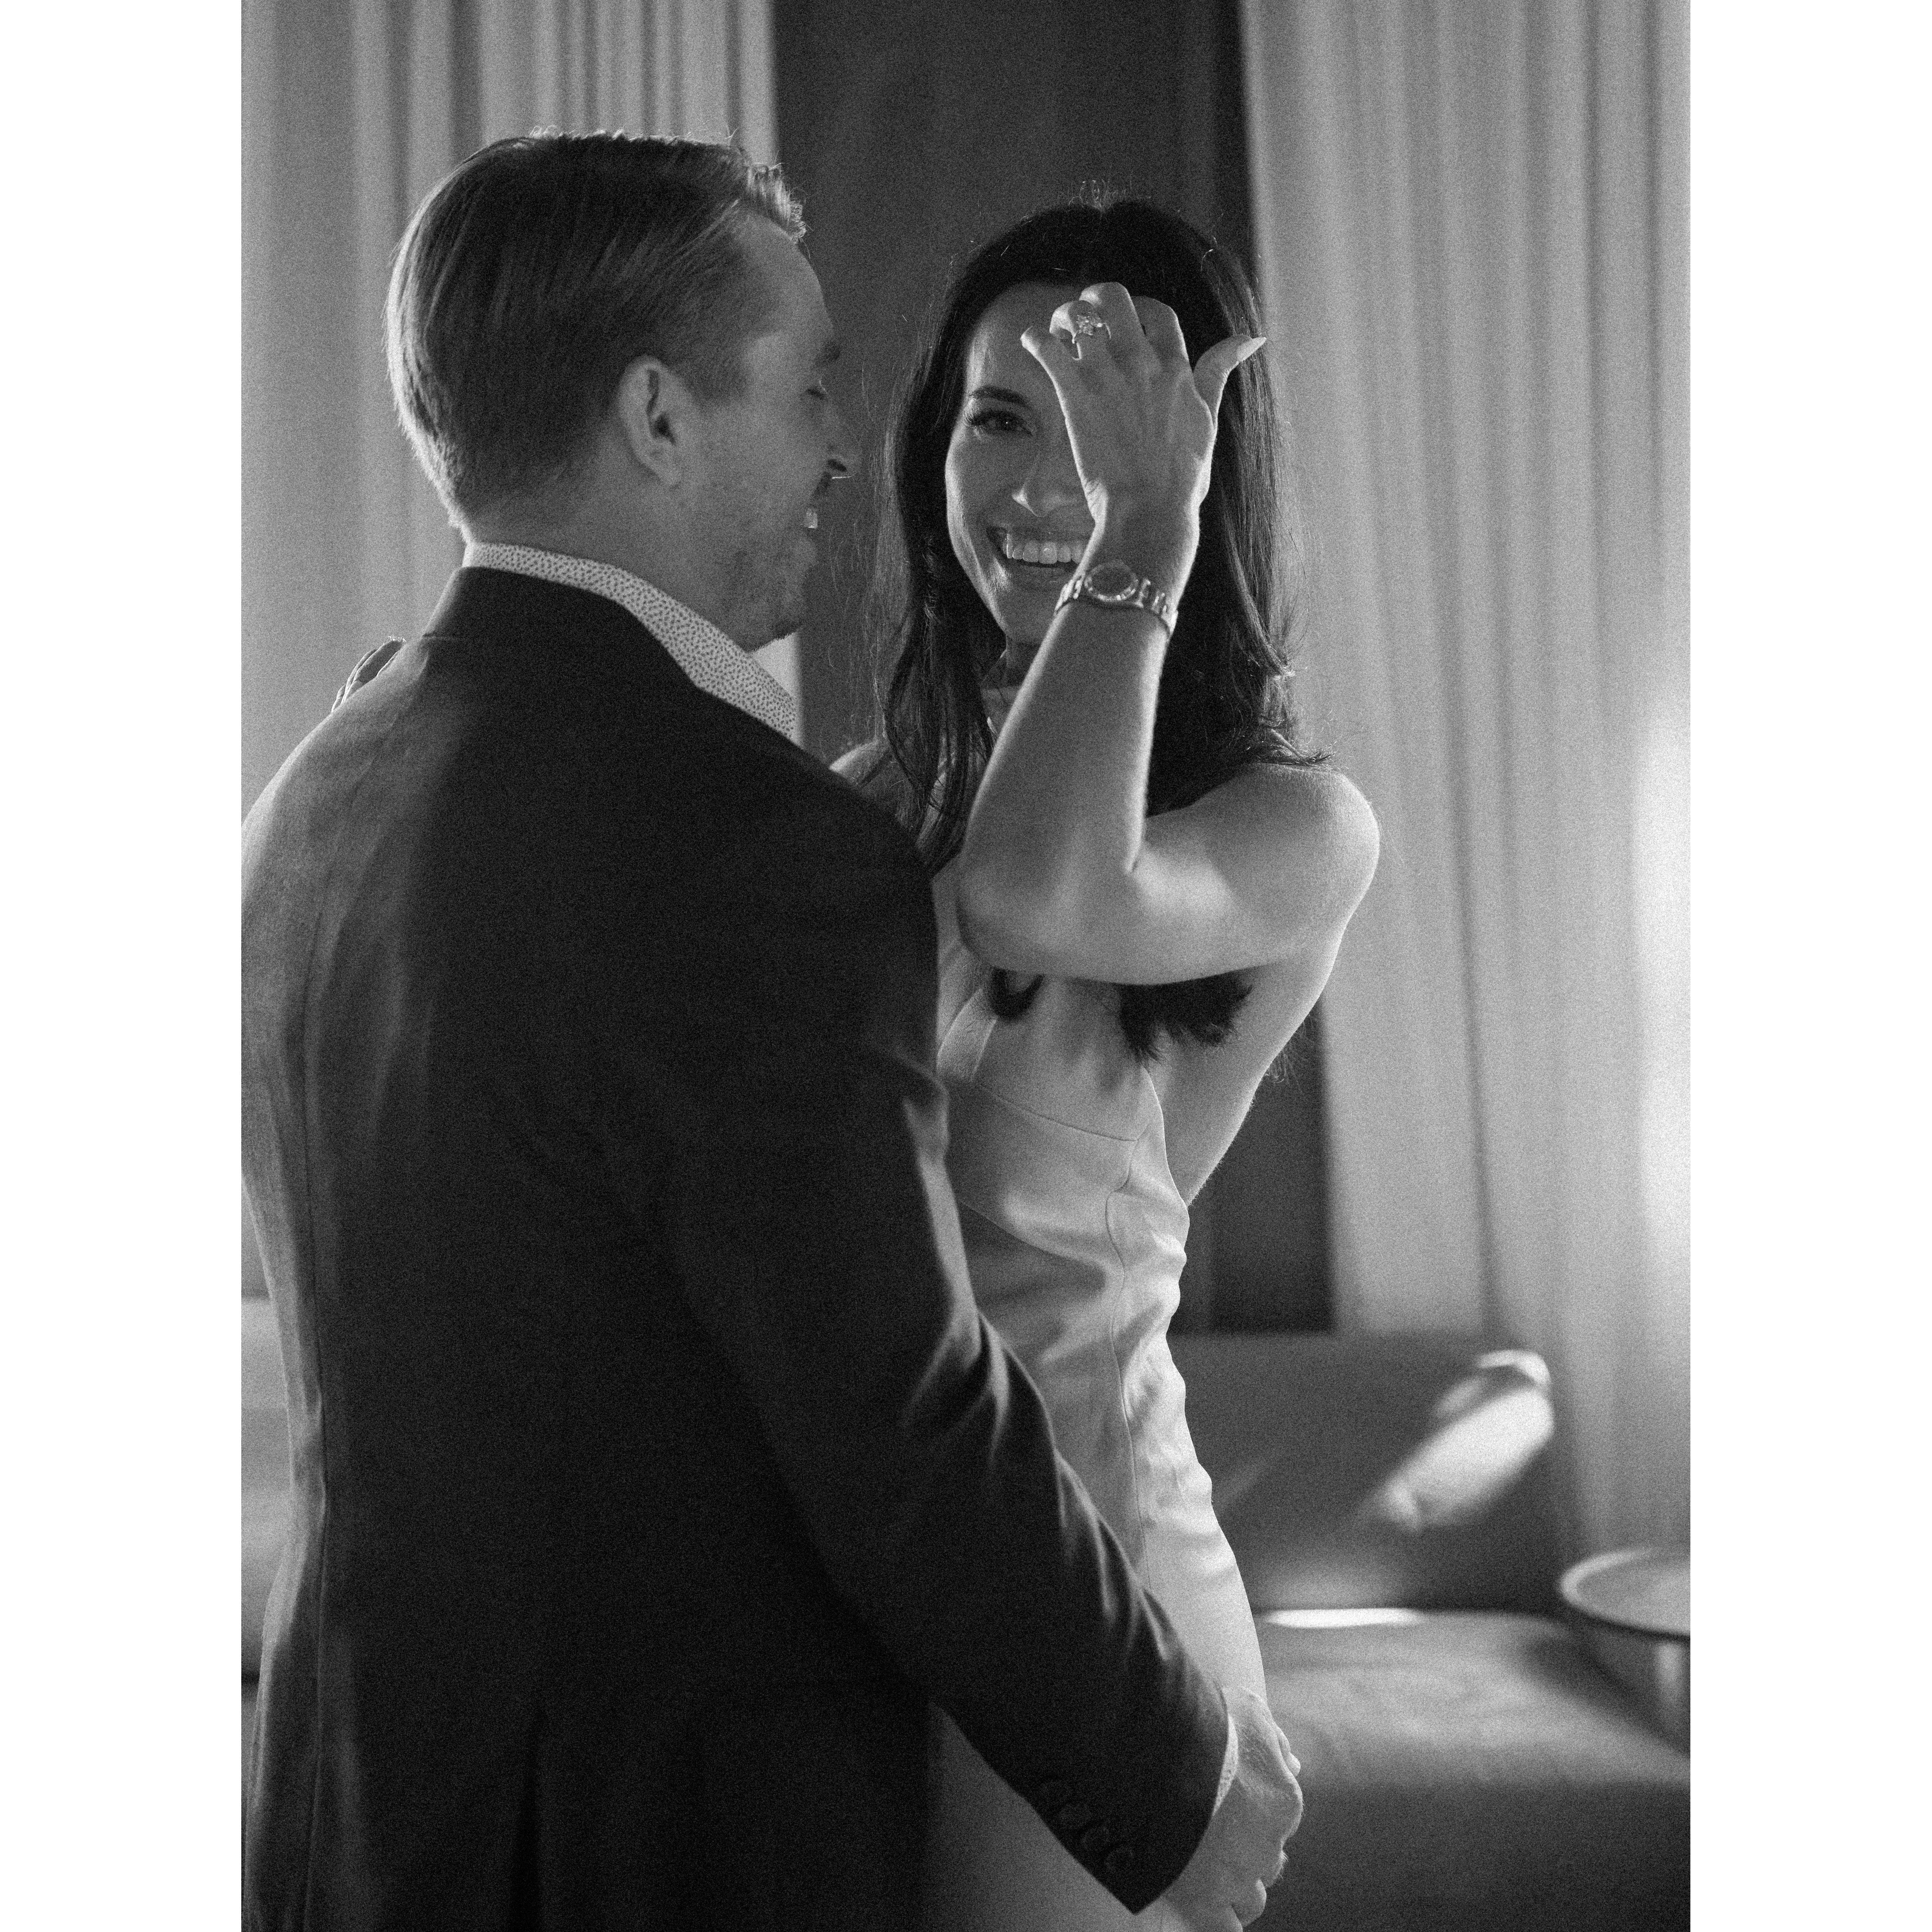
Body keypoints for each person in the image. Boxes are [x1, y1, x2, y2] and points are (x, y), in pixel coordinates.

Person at [241, 134, 1304, 1931]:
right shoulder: (752, 839)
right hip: (634, 1821)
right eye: (811, 387)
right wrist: (1169, 1777)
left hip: (366, 1787)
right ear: (660, 418)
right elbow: (897, 1412)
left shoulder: (319, 780)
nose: (840, 448)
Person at [840, 198, 1379, 1930]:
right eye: (997, 418)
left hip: (1093, 1604)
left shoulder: (1296, 826)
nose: (1039, 478)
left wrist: (1143, 533)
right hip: (850, 1606)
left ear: (1199, 469)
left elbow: (1039, 894)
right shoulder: (863, 806)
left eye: (1099, 430)